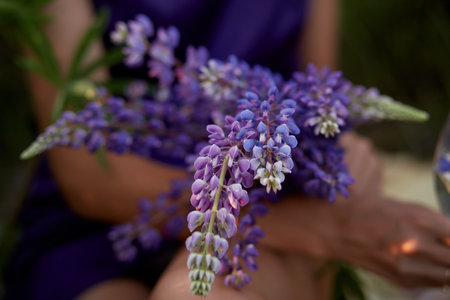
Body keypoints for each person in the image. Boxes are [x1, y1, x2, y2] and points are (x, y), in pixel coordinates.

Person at [6, 0, 450, 299]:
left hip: (263, 206)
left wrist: (342, 157)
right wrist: (330, 228)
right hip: (105, 221)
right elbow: (91, 177)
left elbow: (321, 106)